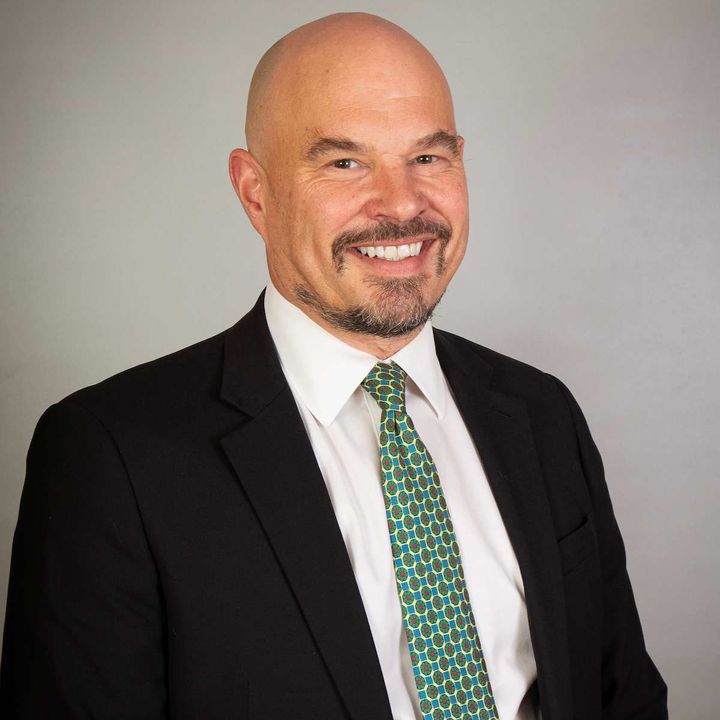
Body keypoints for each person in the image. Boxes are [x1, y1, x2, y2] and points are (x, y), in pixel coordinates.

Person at [0, 12, 667, 720]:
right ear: (255, 191)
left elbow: (622, 697)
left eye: (428, 157)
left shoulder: (541, 413)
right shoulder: (112, 456)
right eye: (345, 162)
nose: (402, 203)